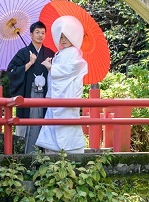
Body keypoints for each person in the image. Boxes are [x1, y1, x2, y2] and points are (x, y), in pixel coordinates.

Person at [36, 15, 89, 154]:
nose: (63, 40)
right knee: (54, 124)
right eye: (61, 37)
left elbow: (72, 69)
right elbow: (56, 76)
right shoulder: (60, 54)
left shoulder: (75, 53)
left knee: (67, 124)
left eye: (66, 37)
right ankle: (52, 151)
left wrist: (51, 68)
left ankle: (71, 152)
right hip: (56, 96)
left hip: (67, 95)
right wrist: (51, 67)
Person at [5, 21, 55, 151]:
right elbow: (11, 72)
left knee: (44, 124)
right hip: (28, 94)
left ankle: (43, 157)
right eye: (37, 32)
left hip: (45, 95)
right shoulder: (23, 53)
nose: (40, 35)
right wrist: (29, 63)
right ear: (31, 34)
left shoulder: (50, 53)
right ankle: (26, 155)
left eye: (43, 33)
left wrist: (51, 68)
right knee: (28, 125)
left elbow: (58, 75)